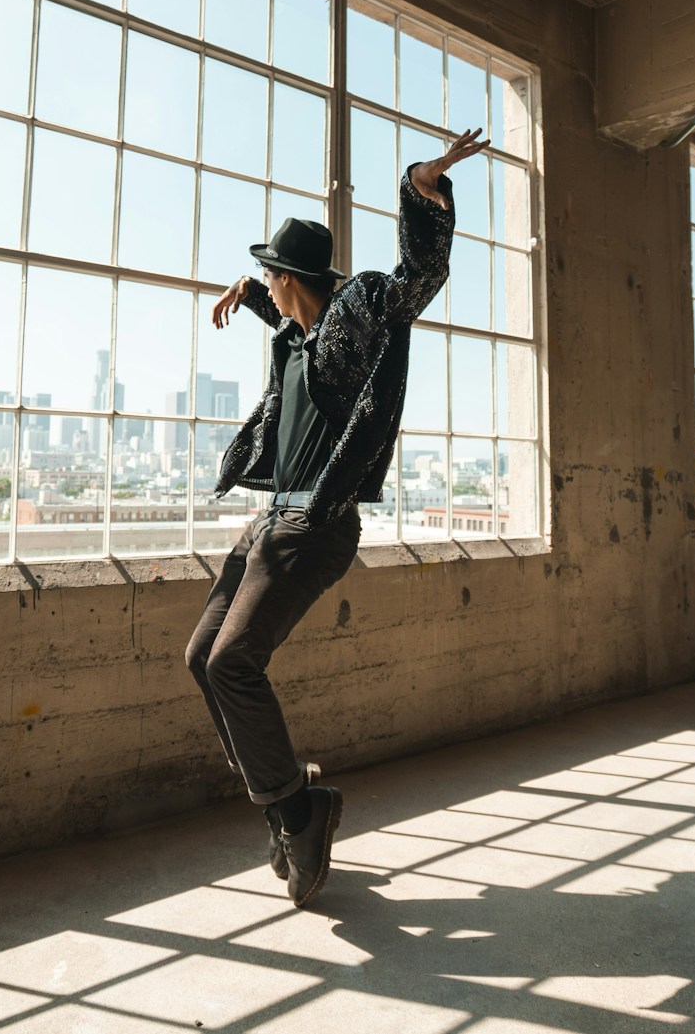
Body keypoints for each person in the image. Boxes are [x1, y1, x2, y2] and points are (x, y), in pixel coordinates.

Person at [185, 126, 489, 908]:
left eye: (269, 277)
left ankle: (296, 809)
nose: (266, 286)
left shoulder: (357, 320)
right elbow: (290, 322)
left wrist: (424, 189)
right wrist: (247, 294)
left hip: (315, 523)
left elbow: (413, 280)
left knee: (232, 663)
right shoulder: (300, 335)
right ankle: (289, 797)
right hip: (270, 525)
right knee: (201, 657)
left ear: (292, 277)